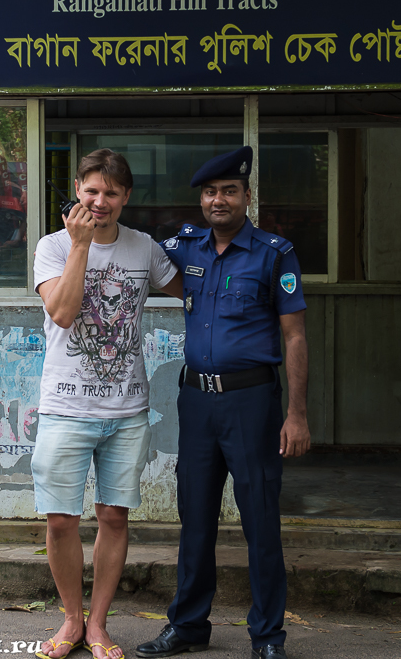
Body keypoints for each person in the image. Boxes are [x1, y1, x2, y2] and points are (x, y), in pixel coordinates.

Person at [137, 146, 311, 659]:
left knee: (259, 519)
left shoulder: (274, 253)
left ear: (246, 196)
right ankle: (188, 625)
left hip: (252, 402)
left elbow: (295, 336)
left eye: (229, 191)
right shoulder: (185, 247)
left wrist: (297, 414)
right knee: (195, 519)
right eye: (211, 192)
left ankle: (268, 636)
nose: (219, 200)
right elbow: (130, 251)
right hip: (196, 403)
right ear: (202, 199)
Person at [32, 149, 182, 659]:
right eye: (91, 191)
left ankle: (98, 624)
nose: (100, 202)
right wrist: (80, 247)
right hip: (64, 406)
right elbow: (65, 312)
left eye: (111, 193)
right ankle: (71, 620)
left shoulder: (144, 248)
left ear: (126, 198)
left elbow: (192, 290)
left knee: (114, 516)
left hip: (126, 410)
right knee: (60, 520)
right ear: (77, 189)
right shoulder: (52, 247)